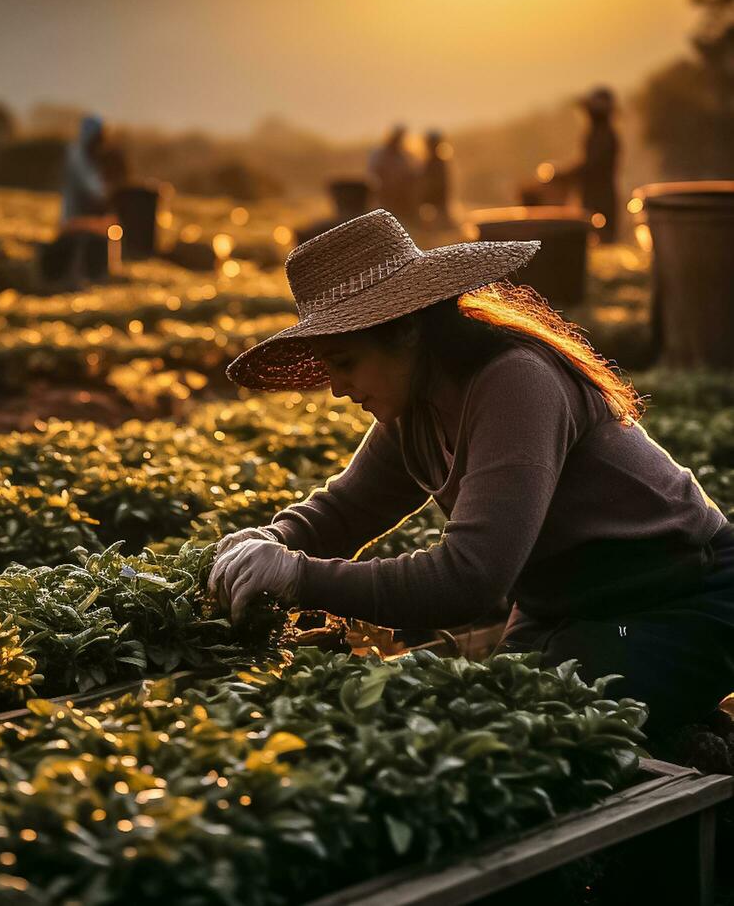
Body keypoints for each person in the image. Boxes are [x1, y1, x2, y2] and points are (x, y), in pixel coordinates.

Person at [210, 209, 733, 739]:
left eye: (344, 363)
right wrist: (270, 539)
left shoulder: (515, 382)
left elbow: (470, 578)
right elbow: (346, 509)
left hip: (679, 597)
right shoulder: (414, 406)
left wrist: (300, 578)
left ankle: (698, 736)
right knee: (487, 715)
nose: (337, 388)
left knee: (534, 732)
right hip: (566, 606)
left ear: (407, 331)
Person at [554, 86, 619, 242]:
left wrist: (562, 175)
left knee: (600, 239)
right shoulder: (598, 133)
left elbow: (591, 166)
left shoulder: (604, 135)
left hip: (600, 196)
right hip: (595, 194)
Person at [367, 124, 420, 227]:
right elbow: (374, 175)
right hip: (387, 197)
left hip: (404, 199)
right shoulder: (380, 155)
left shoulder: (406, 156)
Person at [62, 114, 108, 222]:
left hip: (88, 221)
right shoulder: (76, 156)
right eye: (99, 137)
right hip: (75, 223)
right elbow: (91, 190)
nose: (101, 142)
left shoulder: (91, 156)